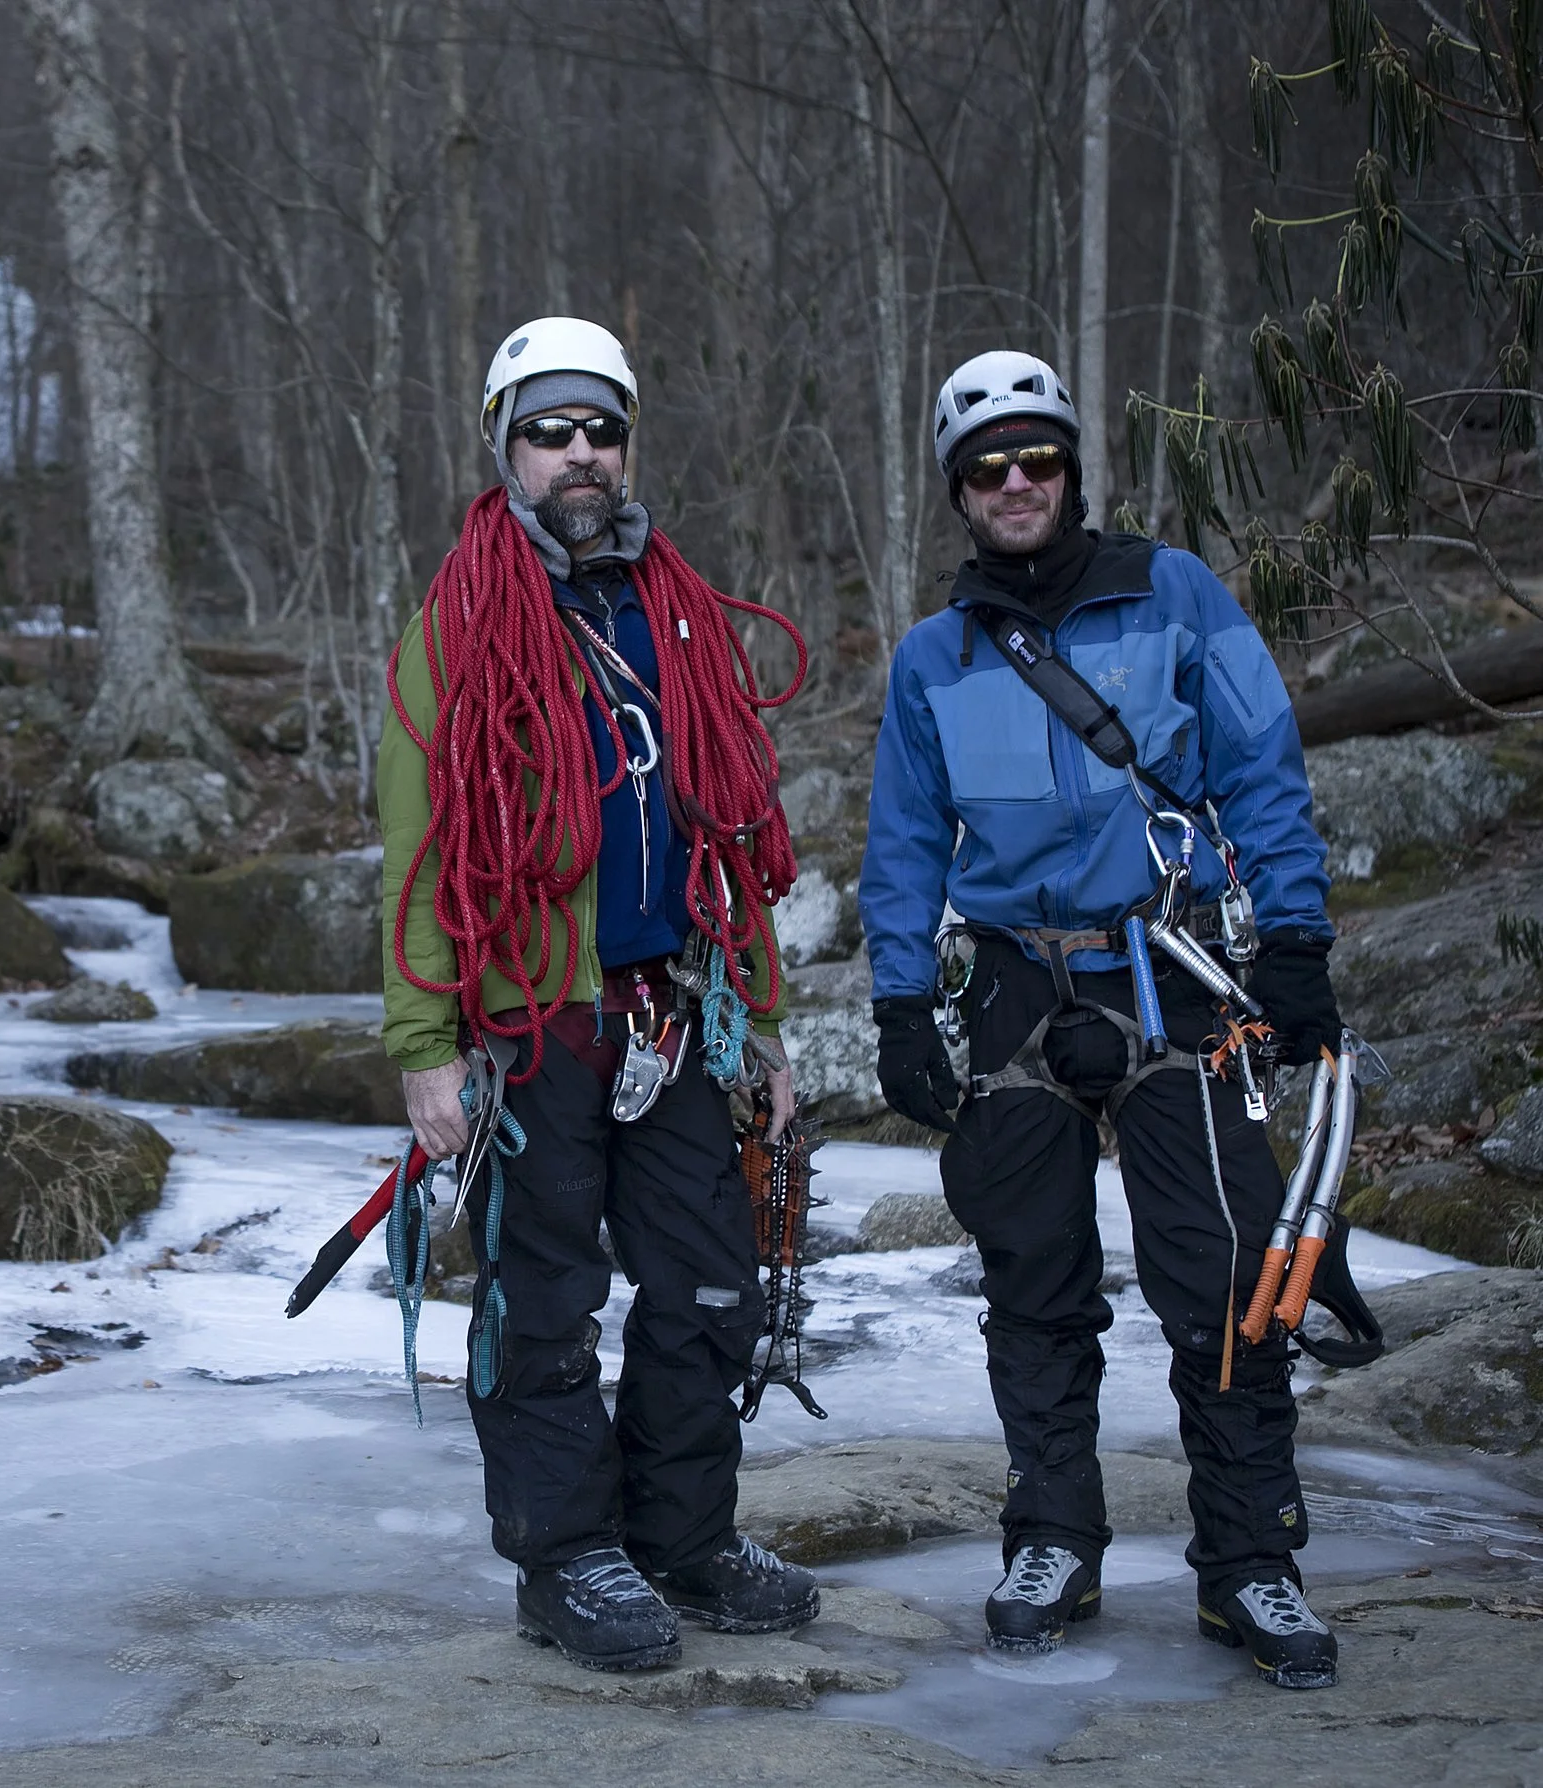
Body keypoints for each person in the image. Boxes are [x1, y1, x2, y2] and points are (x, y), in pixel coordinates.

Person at [859, 349, 1349, 1689]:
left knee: (1232, 1278)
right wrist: (902, 1002)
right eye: (986, 467)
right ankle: (1054, 1538)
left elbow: (1260, 763)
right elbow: (903, 841)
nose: (1015, 483)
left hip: (1172, 964)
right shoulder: (934, 659)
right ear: (958, 492)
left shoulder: (1175, 596)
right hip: (1015, 979)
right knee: (1033, 1279)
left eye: (1037, 458)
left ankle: (1250, 1562)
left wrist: (1295, 937)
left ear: (1071, 468)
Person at [377, 316, 817, 1672]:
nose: (580, 453)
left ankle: (683, 1541)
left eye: (600, 429)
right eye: (549, 430)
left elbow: (737, 836)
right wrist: (425, 1048)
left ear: (628, 444)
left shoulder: (677, 610)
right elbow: (415, 851)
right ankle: (567, 1555)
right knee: (543, 1297)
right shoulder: (456, 626)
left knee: (707, 1289)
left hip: (677, 1014)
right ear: (505, 447)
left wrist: (766, 1028)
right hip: (531, 1026)